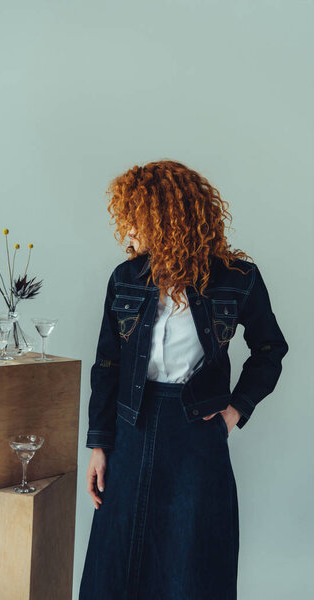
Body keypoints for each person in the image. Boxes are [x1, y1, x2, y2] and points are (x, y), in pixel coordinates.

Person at [79, 160, 289, 599]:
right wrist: (99, 444)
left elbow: (270, 350)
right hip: (132, 427)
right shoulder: (126, 279)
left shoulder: (238, 279)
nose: (125, 228)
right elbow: (108, 365)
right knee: (117, 559)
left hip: (196, 432)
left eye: (133, 215)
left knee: (191, 561)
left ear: (165, 217)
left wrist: (235, 410)